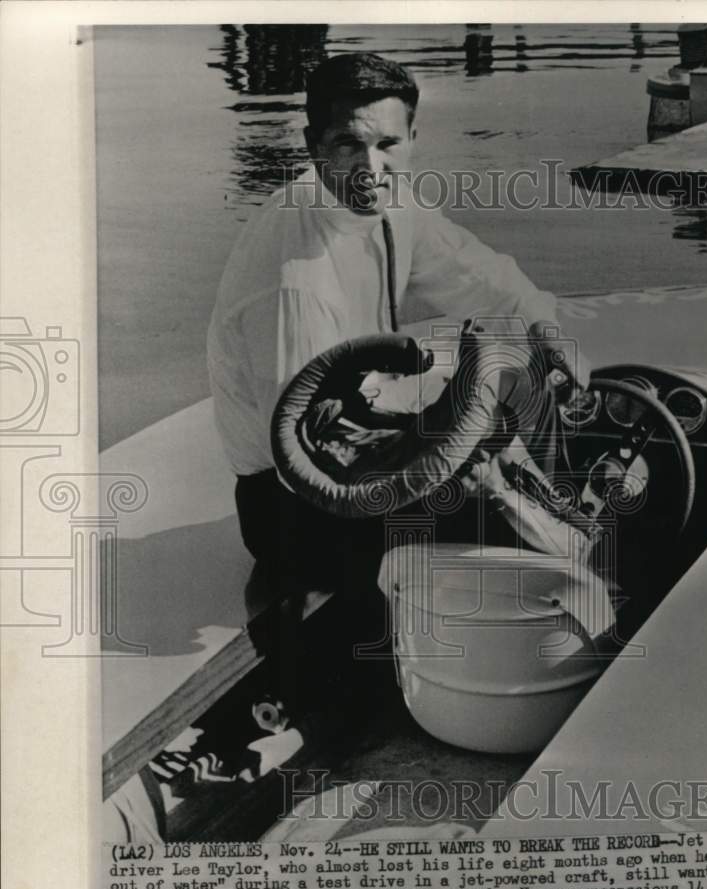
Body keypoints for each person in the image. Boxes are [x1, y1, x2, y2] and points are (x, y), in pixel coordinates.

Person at [207, 52, 589, 623]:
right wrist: (455, 471)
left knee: (529, 383)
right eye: (347, 144)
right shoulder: (292, 286)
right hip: (293, 508)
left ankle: (567, 525)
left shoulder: (391, 202)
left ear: (412, 138)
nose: (370, 167)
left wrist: (548, 336)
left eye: (388, 144)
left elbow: (479, 276)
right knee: (488, 508)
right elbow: (311, 465)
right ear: (314, 146)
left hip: (352, 423)